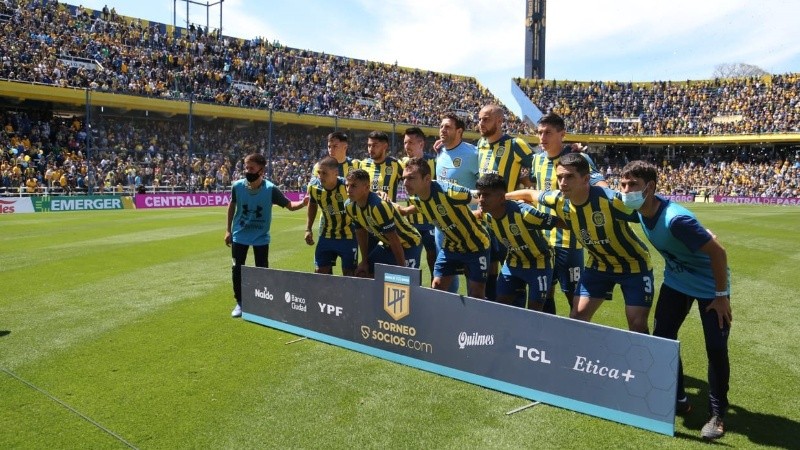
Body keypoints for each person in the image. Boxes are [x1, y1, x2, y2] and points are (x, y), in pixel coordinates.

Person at [619, 160, 731, 440]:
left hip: (710, 288)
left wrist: (721, 296)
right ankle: (677, 399)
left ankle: (717, 415)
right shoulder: (638, 210)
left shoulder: (676, 220)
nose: (625, 190)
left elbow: (718, 253)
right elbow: (601, 194)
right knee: (664, 340)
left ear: (650, 187)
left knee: (715, 348)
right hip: (677, 282)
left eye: (632, 185)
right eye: (622, 184)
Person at [507, 152, 653, 333]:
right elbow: (530, 193)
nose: (562, 182)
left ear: (585, 179)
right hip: (599, 265)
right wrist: (501, 198)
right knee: (577, 317)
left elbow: (650, 212)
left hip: (634, 266)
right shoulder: (559, 200)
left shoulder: (611, 200)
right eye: (560, 177)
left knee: (637, 325)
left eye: (569, 177)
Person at [531, 112, 607, 315]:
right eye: (539, 133)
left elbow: (600, 185)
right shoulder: (536, 160)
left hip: (569, 240)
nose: (542, 138)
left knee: (573, 296)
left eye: (548, 133)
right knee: (544, 293)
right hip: (542, 238)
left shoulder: (578, 159)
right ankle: (548, 339)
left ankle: (576, 341)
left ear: (562, 134)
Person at [225, 153, 308, 318]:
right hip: (239, 235)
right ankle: (240, 302)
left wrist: (303, 203)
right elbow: (232, 205)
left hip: (260, 237)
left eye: (252, 168)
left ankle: (262, 301)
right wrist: (228, 230)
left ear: (261, 170)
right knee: (237, 269)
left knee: (262, 270)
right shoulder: (237, 186)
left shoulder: (270, 189)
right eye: (246, 168)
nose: (248, 171)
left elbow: (290, 205)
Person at [400, 157, 490, 299]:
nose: (405, 183)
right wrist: (404, 210)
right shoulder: (416, 198)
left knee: (476, 294)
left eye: (411, 178)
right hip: (451, 247)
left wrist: (480, 212)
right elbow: (422, 205)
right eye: (404, 178)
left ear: (427, 179)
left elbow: (483, 196)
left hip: (476, 245)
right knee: (437, 286)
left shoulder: (449, 191)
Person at [475, 173, 560, 310]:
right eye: (479, 195)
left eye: (486, 195)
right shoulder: (486, 214)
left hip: (540, 261)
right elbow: (472, 216)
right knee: (501, 304)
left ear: (502, 198)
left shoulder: (525, 214)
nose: (481, 200)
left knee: (535, 311)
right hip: (514, 261)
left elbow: (559, 222)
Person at [476, 104, 535, 300]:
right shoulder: (480, 145)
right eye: (480, 119)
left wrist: (525, 186)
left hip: (509, 218)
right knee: (490, 266)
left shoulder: (516, 144)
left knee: (514, 269)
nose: (480, 123)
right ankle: (493, 308)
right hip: (485, 218)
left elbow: (534, 172)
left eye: (486, 119)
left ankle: (515, 313)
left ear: (500, 121)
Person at [344, 169, 422, 277]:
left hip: (409, 243)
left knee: (404, 282)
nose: (348, 190)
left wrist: (402, 269)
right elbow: (361, 233)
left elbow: (394, 239)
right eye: (347, 185)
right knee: (362, 273)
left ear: (366, 187)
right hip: (388, 245)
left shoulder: (378, 206)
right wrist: (364, 261)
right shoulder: (349, 206)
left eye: (353, 186)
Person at [435, 112, 479, 294]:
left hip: (467, 225)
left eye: (448, 127)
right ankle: (448, 313)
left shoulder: (473, 154)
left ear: (459, 131)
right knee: (445, 278)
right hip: (442, 225)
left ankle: (472, 315)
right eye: (441, 126)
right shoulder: (440, 151)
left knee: (472, 276)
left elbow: (484, 187)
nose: (442, 130)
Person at [305, 156, 357, 276]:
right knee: (320, 272)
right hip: (326, 235)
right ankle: (323, 296)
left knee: (349, 274)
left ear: (335, 173)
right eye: (319, 172)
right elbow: (312, 204)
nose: (320, 176)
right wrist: (308, 228)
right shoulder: (314, 186)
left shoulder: (347, 186)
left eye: (324, 173)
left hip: (348, 236)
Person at [399, 127, 437, 278]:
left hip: (431, 222)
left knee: (433, 259)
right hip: (411, 223)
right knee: (410, 262)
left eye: (410, 143)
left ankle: (435, 293)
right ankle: (413, 292)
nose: (406, 146)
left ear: (421, 144)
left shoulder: (435, 162)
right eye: (405, 143)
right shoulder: (401, 163)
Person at [359, 131, 404, 202]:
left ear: (385, 147)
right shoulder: (363, 164)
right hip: (367, 211)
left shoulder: (396, 165)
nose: (370, 149)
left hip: (388, 212)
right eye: (369, 145)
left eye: (374, 145)